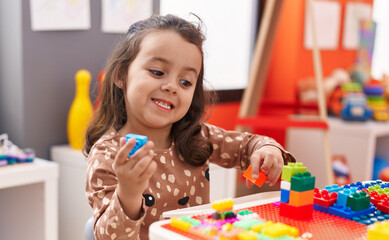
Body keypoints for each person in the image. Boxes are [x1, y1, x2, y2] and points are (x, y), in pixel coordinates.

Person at [84, 14, 295, 239]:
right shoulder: (107, 154)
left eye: (185, 82)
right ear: (120, 75)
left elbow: (248, 145)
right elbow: (109, 236)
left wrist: (267, 150)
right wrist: (128, 194)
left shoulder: (197, 136)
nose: (172, 87)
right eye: (157, 72)